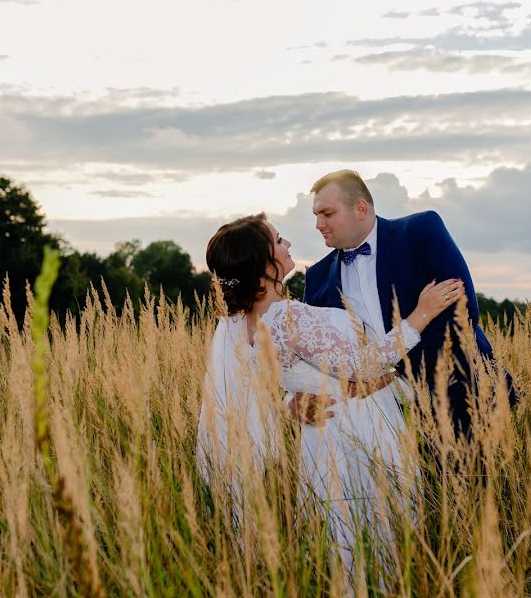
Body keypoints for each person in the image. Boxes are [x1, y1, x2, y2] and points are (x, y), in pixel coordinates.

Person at [195, 213, 463, 580]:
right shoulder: (288, 316)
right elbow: (363, 365)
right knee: (373, 536)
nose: (287, 244)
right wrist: (422, 313)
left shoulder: (238, 326)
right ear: (262, 263)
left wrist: (289, 402)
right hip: (356, 432)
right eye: (278, 239)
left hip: (321, 439)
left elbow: (268, 383)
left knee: (346, 542)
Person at [303, 170, 519, 442]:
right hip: (371, 420)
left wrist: (389, 373)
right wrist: (297, 397)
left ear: (360, 208)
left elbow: (463, 313)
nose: (319, 224)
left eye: (327, 213)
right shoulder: (317, 278)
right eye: (316, 216)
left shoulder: (420, 231)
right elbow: (312, 354)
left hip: (457, 398)